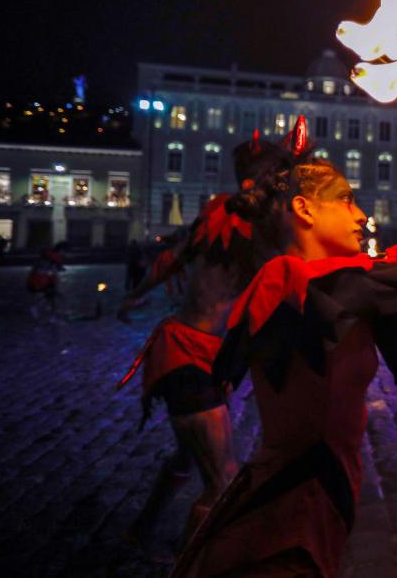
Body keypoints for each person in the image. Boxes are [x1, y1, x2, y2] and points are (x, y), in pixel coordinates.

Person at [171, 133, 397, 577]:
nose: (363, 215)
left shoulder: (329, 283)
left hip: (310, 494)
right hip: (291, 511)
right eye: (346, 201)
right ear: (304, 209)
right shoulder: (313, 288)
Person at [116, 131, 294, 554]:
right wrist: (136, 293)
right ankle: (192, 566)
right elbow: (175, 258)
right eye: (276, 178)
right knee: (223, 479)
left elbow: (174, 258)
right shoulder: (236, 218)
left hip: (207, 357)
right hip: (186, 357)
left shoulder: (237, 215)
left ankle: (140, 528)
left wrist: (135, 294)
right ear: (258, 182)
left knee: (186, 457)